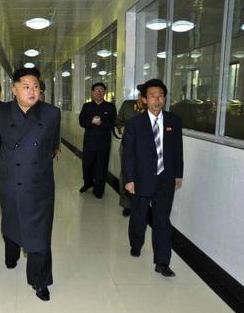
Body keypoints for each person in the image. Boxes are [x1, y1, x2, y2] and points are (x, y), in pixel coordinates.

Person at [0, 67, 60, 301]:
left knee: (40, 234)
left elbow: (52, 145)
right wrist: (8, 169)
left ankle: (40, 281)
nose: (32, 91)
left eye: (36, 86)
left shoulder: (51, 113)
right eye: (26, 86)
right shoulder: (0, 113)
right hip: (11, 181)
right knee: (11, 221)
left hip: (39, 184)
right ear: (14, 89)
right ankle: (11, 253)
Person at [122, 78, 183, 277]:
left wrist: (178, 174)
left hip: (165, 179)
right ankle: (136, 243)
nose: (157, 100)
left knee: (162, 220)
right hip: (141, 178)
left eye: (161, 96)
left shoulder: (173, 121)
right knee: (139, 214)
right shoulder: (134, 124)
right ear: (144, 99)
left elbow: (177, 151)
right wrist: (129, 179)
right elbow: (128, 153)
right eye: (152, 96)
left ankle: (162, 262)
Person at [78, 82, 117, 198]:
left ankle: (99, 189)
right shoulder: (87, 106)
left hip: (104, 142)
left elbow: (113, 122)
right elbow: (81, 121)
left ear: (104, 92)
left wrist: (102, 123)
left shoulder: (110, 107)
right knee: (87, 165)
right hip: (89, 142)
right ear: (92, 92)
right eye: (97, 90)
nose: (99, 92)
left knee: (101, 166)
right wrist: (91, 121)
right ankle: (88, 183)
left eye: (102, 90)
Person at [116, 84, 146, 216]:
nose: (143, 100)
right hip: (127, 147)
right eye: (142, 96)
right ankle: (126, 204)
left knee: (142, 176)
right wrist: (121, 128)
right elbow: (118, 121)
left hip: (144, 149)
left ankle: (139, 204)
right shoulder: (127, 105)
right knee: (126, 174)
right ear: (139, 96)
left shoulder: (152, 110)